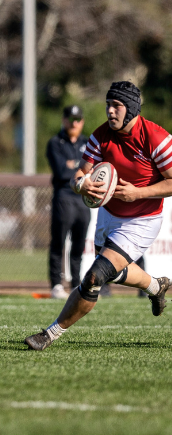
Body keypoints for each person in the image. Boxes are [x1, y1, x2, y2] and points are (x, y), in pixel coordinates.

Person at [25, 81, 172, 350]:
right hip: (108, 215)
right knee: (111, 272)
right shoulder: (101, 135)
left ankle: (49, 334)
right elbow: (80, 173)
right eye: (108, 105)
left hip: (142, 220)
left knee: (94, 277)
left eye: (117, 106)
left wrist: (138, 192)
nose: (110, 111)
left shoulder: (157, 138)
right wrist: (81, 184)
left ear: (132, 109)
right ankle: (156, 287)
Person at [46, 106, 90, 296]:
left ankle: (76, 283)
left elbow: (92, 168)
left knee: (79, 244)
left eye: (78, 119)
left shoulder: (88, 143)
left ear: (82, 121)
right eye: (71, 119)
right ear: (64, 120)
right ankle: (56, 284)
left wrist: (73, 164)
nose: (74, 123)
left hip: (82, 199)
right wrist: (80, 165)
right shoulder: (55, 143)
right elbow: (62, 172)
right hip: (63, 198)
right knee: (59, 241)